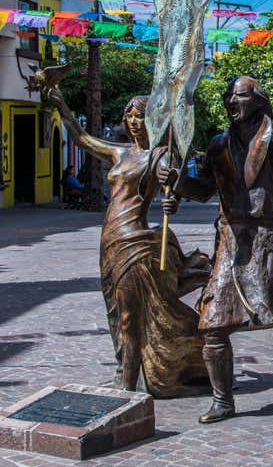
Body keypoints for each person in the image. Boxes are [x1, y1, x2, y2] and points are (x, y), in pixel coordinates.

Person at [159, 75, 273, 423]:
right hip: (232, 243)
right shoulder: (217, 144)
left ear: (257, 100)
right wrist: (177, 184)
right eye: (228, 96)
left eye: (239, 95)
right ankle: (222, 401)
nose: (231, 101)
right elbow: (205, 190)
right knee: (212, 325)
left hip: (271, 241)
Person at [41, 83, 211, 398]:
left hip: (135, 242)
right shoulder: (120, 152)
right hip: (110, 241)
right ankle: (126, 370)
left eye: (140, 116)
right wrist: (60, 103)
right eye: (129, 115)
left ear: (152, 121)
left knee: (130, 313)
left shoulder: (159, 156)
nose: (133, 121)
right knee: (115, 311)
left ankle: (128, 382)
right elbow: (82, 138)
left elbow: (179, 186)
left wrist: (171, 186)